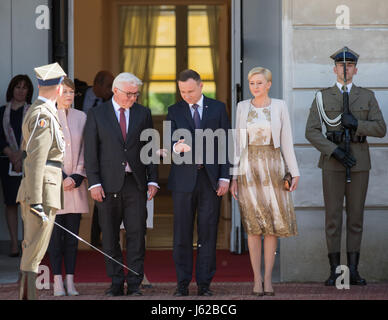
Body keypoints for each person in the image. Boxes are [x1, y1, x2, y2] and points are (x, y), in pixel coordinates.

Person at [305, 47, 386, 286]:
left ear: (355, 69)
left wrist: (357, 124)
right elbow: (311, 131)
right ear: (334, 69)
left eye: (349, 65)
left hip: (359, 162)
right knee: (332, 218)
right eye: (341, 65)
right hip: (332, 161)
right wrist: (334, 150)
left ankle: (353, 270)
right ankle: (335, 271)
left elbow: (381, 129)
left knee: (356, 218)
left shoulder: (367, 96)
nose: (345, 69)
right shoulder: (322, 96)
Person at [84, 72, 158, 296]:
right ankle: (116, 282)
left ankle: (135, 284)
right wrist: (94, 183)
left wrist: (153, 179)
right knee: (109, 236)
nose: (133, 98)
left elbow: (150, 148)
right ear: (115, 91)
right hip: (107, 185)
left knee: (137, 234)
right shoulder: (97, 114)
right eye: (129, 94)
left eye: (136, 94)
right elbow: (90, 152)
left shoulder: (143, 113)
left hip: (135, 183)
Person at [230, 67, 300, 296]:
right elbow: (238, 143)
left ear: (269, 84)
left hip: (274, 167)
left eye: (259, 83)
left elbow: (287, 140)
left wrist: (294, 171)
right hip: (248, 169)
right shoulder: (242, 107)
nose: (255, 87)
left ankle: (268, 279)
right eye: (252, 83)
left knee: (271, 227)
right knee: (252, 225)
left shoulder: (279, 105)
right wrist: (234, 176)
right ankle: (256, 279)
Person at [166, 69, 230, 297]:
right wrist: (176, 147)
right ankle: (182, 284)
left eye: (190, 91)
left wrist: (225, 177)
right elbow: (168, 139)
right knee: (182, 234)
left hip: (210, 180)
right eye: (182, 91)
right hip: (183, 181)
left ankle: (204, 285)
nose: (186, 95)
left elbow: (225, 144)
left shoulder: (218, 108)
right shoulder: (174, 110)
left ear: (201, 86)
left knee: (208, 233)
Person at [16, 62, 66, 300]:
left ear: (38, 85)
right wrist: (36, 201)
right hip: (42, 191)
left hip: (45, 188)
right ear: (59, 88)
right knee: (33, 252)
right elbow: (36, 160)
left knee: (33, 251)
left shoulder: (43, 112)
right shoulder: (41, 115)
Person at [47, 77, 89, 296]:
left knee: (73, 238)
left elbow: (86, 148)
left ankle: (71, 281)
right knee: (55, 238)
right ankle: (56, 281)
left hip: (76, 186)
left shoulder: (82, 117)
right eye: (65, 92)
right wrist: (61, 176)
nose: (69, 96)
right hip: (55, 186)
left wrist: (76, 175)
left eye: (72, 93)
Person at [74, 71, 114, 248]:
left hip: (99, 152)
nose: (111, 90)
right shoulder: (78, 95)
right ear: (96, 84)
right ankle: (70, 239)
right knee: (73, 192)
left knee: (101, 192)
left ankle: (96, 237)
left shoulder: (112, 102)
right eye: (108, 86)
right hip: (75, 151)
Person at [0, 75, 33, 257]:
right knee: (11, 203)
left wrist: (20, 155)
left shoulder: (32, 112)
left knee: (27, 204)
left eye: (24, 87)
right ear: (11, 89)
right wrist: (10, 154)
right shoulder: (1, 112)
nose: (21, 91)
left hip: (27, 162)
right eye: (17, 87)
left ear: (29, 91)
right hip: (7, 163)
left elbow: (35, 137)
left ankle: (27, 243)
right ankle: (14, 243)